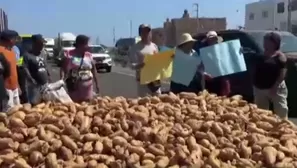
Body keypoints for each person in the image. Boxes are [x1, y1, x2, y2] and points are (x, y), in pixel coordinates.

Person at [253, 32, 288, 119]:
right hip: (260, 88)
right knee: (261, 113)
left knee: (281, 111)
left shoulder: (280, 56)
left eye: (267, 42)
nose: (264, 44)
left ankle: (283, 129)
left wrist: (275, 86)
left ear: (274, 43)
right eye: (264, 41)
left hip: (275, 88)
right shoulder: (260, 55)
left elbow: (283, 72)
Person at [60, 35, 100, 102]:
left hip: (88, 87)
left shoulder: (89, 55)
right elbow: (62, 68)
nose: (88, 46)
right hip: (74, 87)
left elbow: (93, 69)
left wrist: (97, 84)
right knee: (75, 106)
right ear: (80, 45)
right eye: (87, 44)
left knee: (87, 104)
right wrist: (62, 81)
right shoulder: (69, 54)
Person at [129, 24, 161, 97]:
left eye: (148, 32)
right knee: (144, 103)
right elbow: (131, 65)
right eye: (144, 32)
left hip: (155, 80)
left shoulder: (154, 46)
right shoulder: (135, 48)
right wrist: (140, 65)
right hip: (143, 81)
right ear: (140, 34)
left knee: (158, 101)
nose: (147, 34)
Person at [23, 34, 51, 105]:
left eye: (42, 44)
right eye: (40, 44)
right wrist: (31, 79)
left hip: (45, 84)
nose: (42, 46)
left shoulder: (43, 54)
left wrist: (49, 76)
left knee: (46, 103)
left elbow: (45, 66)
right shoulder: (26, 55)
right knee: (34, 104)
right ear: (34, 43)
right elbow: (25, 68)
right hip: (34, 85)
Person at [203, 31, 231, 96]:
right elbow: (199, 66)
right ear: (207, 41)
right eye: (210, 40)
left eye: (214, 39)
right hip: (210, 81)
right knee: (211, 100)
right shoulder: (204, 52)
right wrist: (204, 73)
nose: (212, 41)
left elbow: (232, 57)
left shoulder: (223, 50)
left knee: (224, 100)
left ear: (216, 40)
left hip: (222, 81)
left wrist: (238, 50)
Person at [0, 30, 21, 111]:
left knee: (18, 112)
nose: (16, 41)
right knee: (8, 113)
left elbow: (15, 68)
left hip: (14, 87)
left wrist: (18, 85)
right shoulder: (1, 51)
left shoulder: (13, 51)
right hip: (6, 89)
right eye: (15, 38)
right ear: (10, 39)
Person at [14, 35, 29, 103]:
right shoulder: (25, 47)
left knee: (20, 85)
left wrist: (19, 65)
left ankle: (22, 99)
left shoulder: (15, 47)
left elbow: (18, 60)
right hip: (24, 67)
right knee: (24, 85)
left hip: (19, 68)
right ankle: (25, 99)